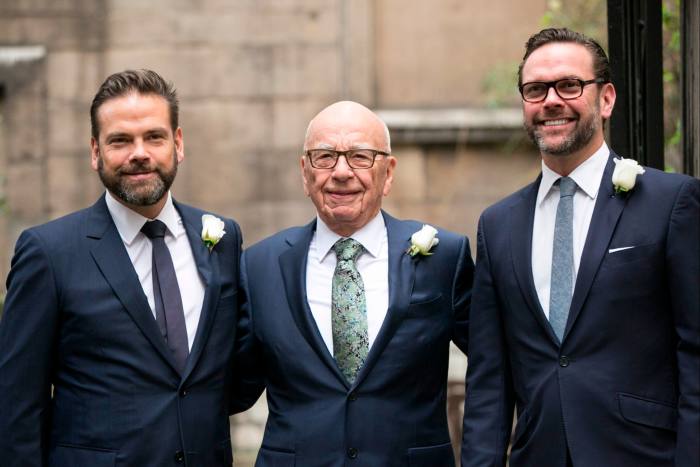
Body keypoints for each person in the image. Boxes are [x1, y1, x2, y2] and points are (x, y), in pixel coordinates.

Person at [461, 28, 699, 467]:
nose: (551, 100)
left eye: (569, 85)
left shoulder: (671, 203)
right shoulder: (498, 225)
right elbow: (489, 381)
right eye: (535, 89)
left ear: (605, 99)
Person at [0, 69, 243, 466]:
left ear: (177, 144)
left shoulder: (222, 239)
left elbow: (232, 373)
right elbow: (16, 403)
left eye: (154, 137)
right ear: (95, 151)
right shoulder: (48, 252)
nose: (139, 153)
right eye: (120, 140)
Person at [233, 101, 473, 466]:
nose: (341, 172)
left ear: (388, 173)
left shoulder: (444, 257)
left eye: (361, 156)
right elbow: (235, 387)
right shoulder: (259, 265)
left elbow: (495, 369)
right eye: (325, 157)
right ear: (304, 172)